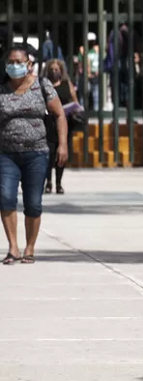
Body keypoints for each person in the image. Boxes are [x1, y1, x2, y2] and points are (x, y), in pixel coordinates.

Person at [1, 44, 68, 265]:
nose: (14, 66)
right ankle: (13, 247)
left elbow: (59, 115)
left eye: (19, 62)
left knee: (33, 203)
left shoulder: (42, 85)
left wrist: (62, 145)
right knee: (6, 198)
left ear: (29, 64)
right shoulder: (2, 88)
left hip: (36, 153)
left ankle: (29, 248)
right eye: (10, 62)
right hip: (6, 154)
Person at [43, 59, 80, 194]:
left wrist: (73, 108)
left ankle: (58, 182)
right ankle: (48, 182)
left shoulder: (66, 84)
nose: (54, 71)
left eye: (57, 69)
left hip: (64, 123)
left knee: (61, 154)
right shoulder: (44, 85)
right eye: (52, 69)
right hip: (48, 124)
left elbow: (75, 101)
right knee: (48, 154)